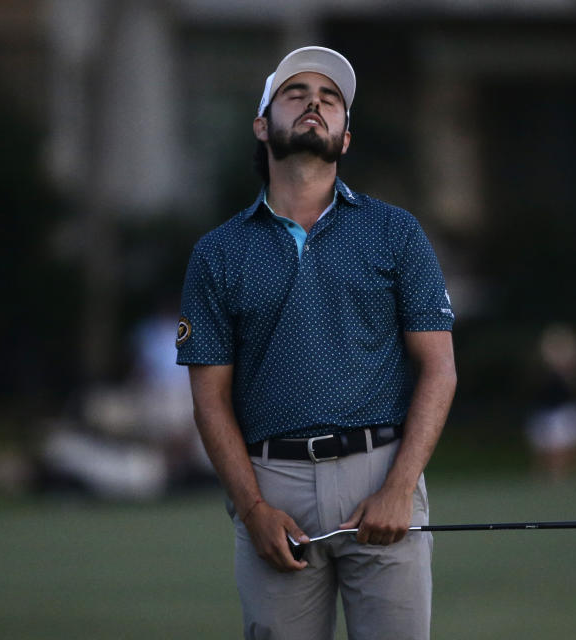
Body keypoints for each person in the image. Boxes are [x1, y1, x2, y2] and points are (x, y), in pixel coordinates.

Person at [176, 46, 457, 640]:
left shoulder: (395, 232)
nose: (315, 104)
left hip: (381, 478)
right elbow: (209, 400)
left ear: (345, 138)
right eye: (295, 93)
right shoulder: (217, 253)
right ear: (263, 124)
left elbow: (439, 369)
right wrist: (252, 510)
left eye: (330, 100)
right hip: (271, 486)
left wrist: (400, 489)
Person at [524, 323, 576, 480]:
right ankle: (544, 484)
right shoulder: (539, 365)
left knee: (571, 454)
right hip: (545, 412)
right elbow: (531, 384)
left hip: (567, 411)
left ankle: (571, 482)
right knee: (545, 456)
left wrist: (569, 369)